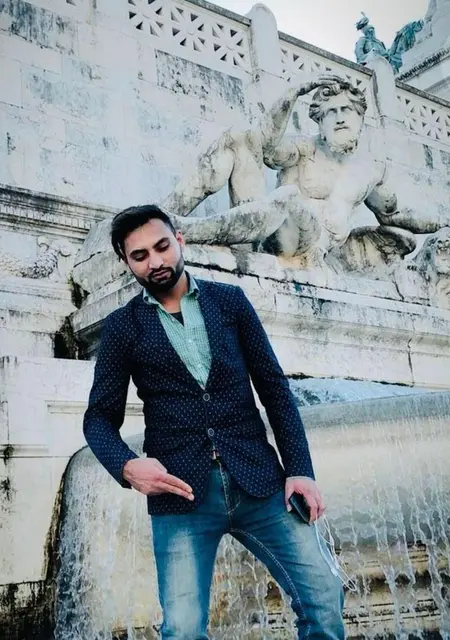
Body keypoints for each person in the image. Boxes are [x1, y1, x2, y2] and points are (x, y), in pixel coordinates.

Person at [83, 204, 345, 639]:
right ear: (126, 262)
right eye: (140, 255)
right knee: (183, 630)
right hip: (181, 497)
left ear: (179, 240)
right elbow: (97, 419)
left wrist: (300, 469)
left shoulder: (230, 302)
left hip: (260, 483)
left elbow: (274, 389)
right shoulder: (122, 327)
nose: (155, 261)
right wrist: (127, 467)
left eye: (162, 246)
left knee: (323, 595)